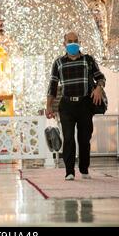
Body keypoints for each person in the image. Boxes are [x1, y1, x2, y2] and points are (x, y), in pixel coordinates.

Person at [45, 32, 106, 181]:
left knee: (84, 138)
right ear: (64, 44)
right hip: (66, 105)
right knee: (69, 138)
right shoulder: (58, 62)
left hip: (85, 104)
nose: (73, 43)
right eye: (69, 41)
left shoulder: (88, 60)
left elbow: (100, 77)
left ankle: (84, 169)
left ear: (79, 42)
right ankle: (69, 171)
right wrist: (49, 106)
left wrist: (99, 88)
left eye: (75, 41)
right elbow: (52, 86)